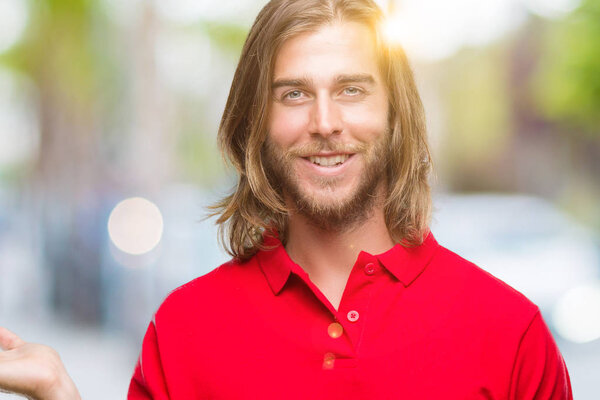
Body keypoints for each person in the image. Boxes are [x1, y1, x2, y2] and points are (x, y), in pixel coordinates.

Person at [0, 0, 573, 399]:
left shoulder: (508, 332)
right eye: (294, 94)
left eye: (351, 90)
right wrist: (57, 391)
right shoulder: (184, 332)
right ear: (256, 123)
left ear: (395, 116)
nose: (325, 122)